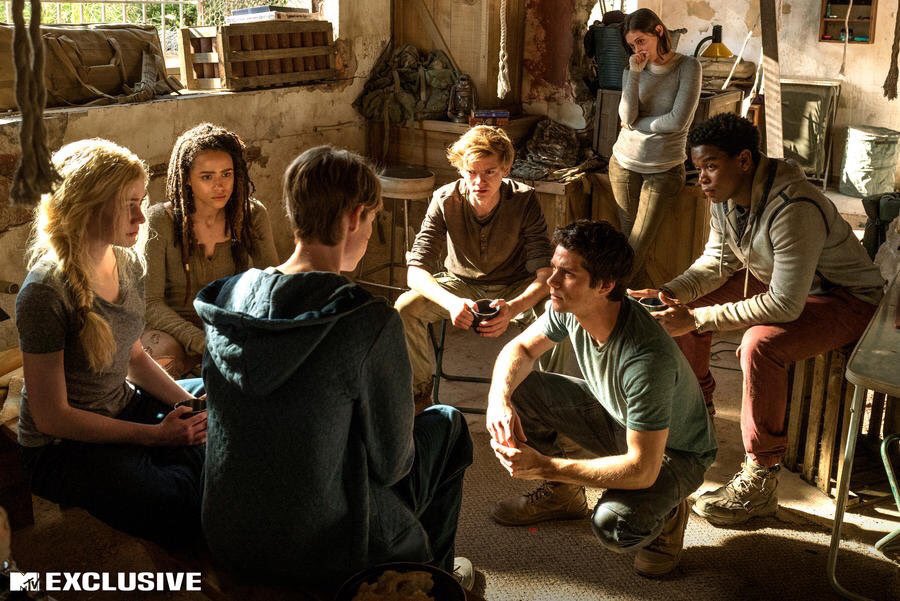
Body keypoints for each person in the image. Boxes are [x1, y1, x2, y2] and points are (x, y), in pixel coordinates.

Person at [194, 146, 475, 590]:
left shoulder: (229, 296)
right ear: (354, 217)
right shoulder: (365, 320)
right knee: (448, 423)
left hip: (227, 534)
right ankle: (431, 578)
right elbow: (393, 465)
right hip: (323, 546)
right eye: (373, 219)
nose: (369, 232)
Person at [631, 113, 884, 526]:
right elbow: (717, 262)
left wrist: (698, 317)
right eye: (698, 168)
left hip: (845, 298)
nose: (702, 179)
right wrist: (670, 292)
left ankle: (761, 477)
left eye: (711, 166)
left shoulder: (794, 208)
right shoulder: (725, 197)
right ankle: (697, 421)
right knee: (673, 310)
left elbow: (785, 305)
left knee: (758, 345)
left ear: (744, 160)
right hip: (783, 281)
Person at [487, 220, 717, 578]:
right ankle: (564, 495)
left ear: (605, 285)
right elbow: (520, 349)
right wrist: (498, 401)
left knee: (615, 526)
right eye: (554, 268)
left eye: (567, 273)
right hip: (615, 416)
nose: (551, 281)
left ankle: (669, 512)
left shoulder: (646, 360)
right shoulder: (569, 308)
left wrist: (544, 465)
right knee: (517, 387)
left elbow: (641, 468)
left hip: (675, 452)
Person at [16, 139, 207, 547]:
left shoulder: (127, 261)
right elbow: (52, 418)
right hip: (62, 445)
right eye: (127, 204)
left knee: (218, 434)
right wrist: (155, 437)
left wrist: (189, 404)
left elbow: (133, 356)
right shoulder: (45, 293)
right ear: (86, 207)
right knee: (177, 502)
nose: (140, 216)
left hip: (121, 403)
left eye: (142, 201)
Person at [396, 126, 555, 409]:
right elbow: (415, 271)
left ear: (505, 169)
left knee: (557, 310)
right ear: (460, 169)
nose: (479, 181)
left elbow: (546, 274)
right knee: (405, 308)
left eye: (490, 172)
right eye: (471, 172)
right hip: (460, 284)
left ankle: (547, 399)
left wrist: (514, 308)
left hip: (516, 283)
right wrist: (452, 302)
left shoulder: (524, 199)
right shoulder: (445, 199)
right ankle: (420, 395)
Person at [143, 123, 278, 377]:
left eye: (226, 174)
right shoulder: (159, 220)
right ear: (187, 179)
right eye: (207, 177)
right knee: (162, 360)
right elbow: (150, 303)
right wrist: (201, 341)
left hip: (228, 325)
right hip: (173, 330)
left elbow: (271, 285)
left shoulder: (252, 215)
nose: (220, 185)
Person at [609, 8, 701, 287]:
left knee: (638, 242)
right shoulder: (632, 68)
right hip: (623, 162)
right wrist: (635, 74)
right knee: (630, 243)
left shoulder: (688, 67)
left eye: (641, 41)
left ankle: (608, 296)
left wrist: (638, 124)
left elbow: (677, 121)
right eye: (632, 45)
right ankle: (634, 303)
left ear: (658, 31)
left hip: (664, 169)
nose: (638, 50)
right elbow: (626, 116)